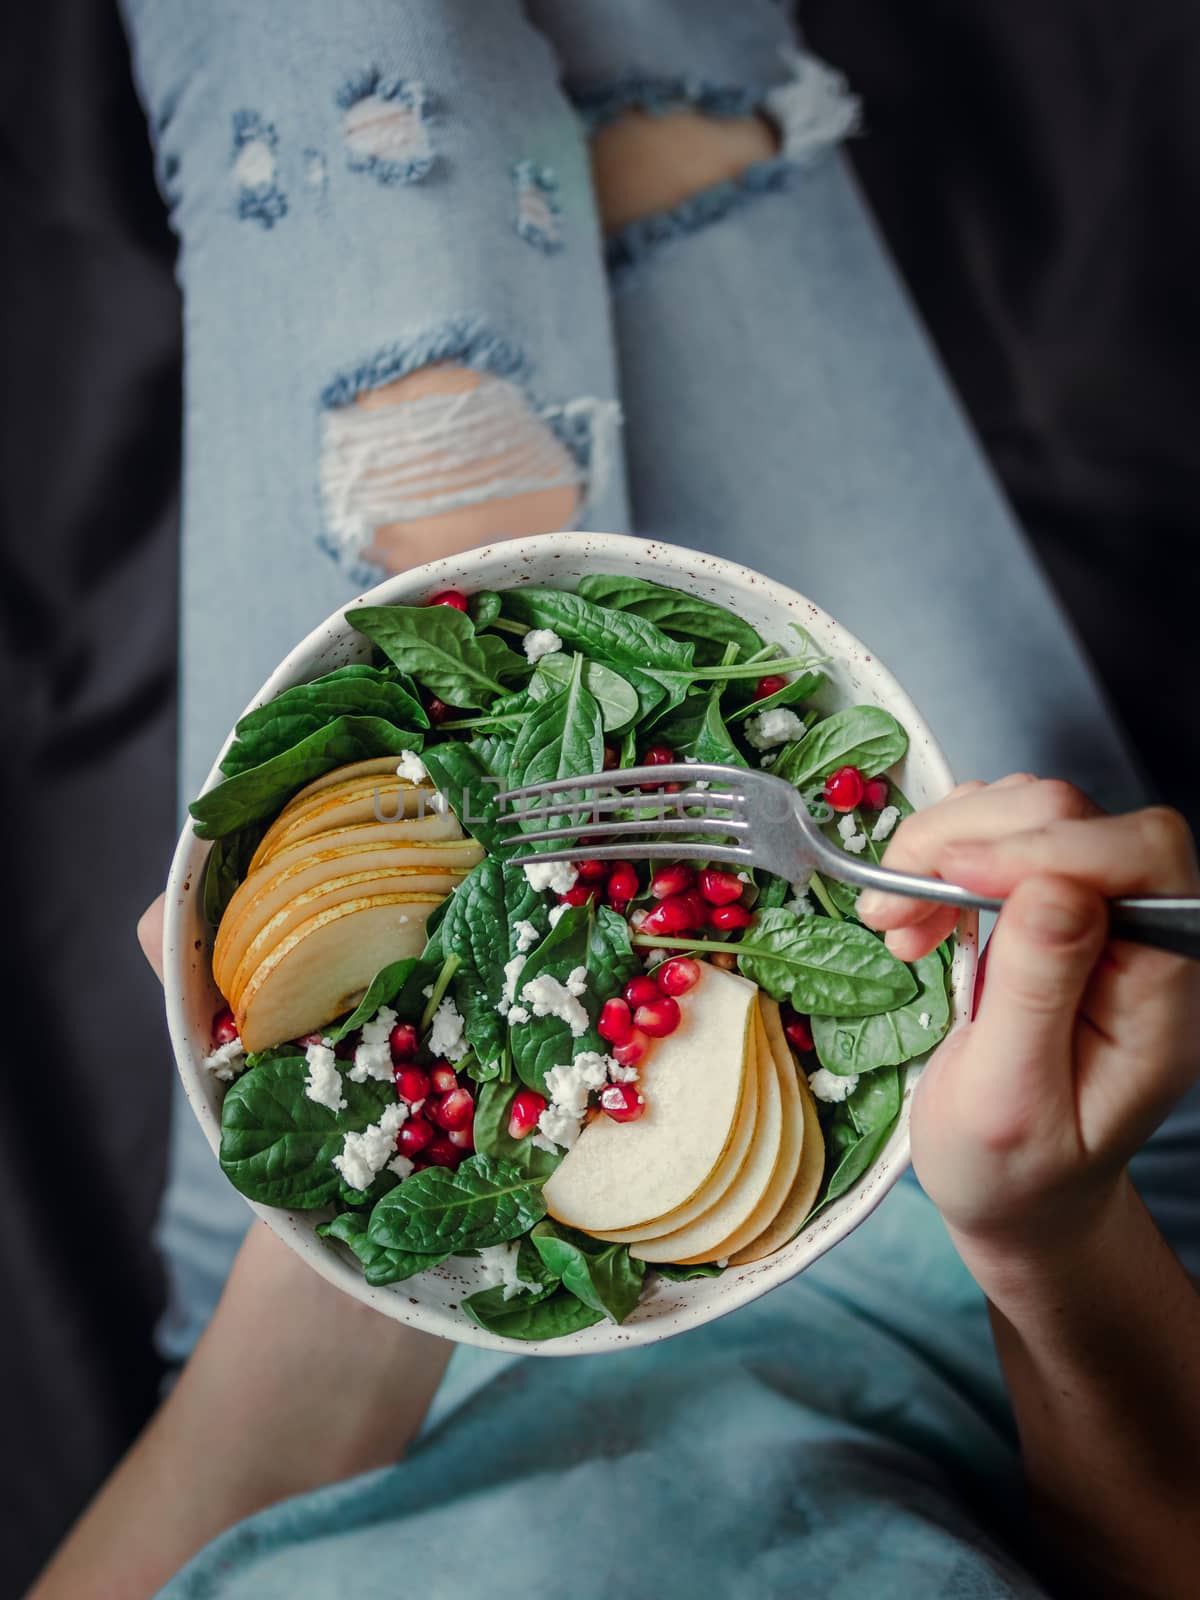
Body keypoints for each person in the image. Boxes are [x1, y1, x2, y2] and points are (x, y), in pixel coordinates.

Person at [30, 1, 1200, 1595]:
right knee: (662, 67)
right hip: (1009, 1209)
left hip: (326, 1363)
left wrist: (362, 1172)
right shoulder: (1033, 1210)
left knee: (365, 77)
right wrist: (1046, 1236)